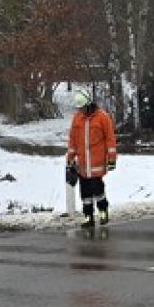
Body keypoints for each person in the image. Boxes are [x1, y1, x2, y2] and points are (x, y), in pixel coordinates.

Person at [65, 89, 116, 229]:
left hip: (97, 161)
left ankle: (103, 211)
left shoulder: (102, 117)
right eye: (79, 108)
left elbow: (110, 139)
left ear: (88, 105)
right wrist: (70, 158)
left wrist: (112, 159)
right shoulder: (77, 119)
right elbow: (72, 140)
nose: (80, 110)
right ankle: (88, 216)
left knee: (98, 188)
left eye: (82, 107)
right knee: (85, 191)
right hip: (82, 163)